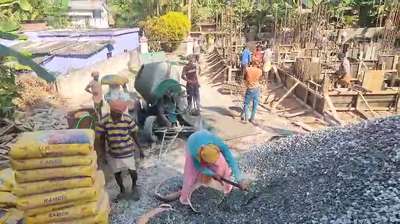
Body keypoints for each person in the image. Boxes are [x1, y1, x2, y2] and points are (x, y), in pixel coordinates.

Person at [179, 130, 248, 205]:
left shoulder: (219, 144)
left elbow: (231, 161)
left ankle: (227, 189)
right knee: (190, 175)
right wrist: (212, 174)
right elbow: (199, 167)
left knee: (222, 166)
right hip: (192, 142)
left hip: (205, 138)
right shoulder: (194, 152)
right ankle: (185, 198)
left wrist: (240, 180)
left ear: (217, 150)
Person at [96, 100, 144, 201]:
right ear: (110, 111)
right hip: (113, 153)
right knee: (117, 173)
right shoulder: (104, 121)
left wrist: (140, 148)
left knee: (132, 171)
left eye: (118, 114)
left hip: (127, 150)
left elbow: (135, 135)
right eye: (114, 114)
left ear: (122, 113)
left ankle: (134, 187)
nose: (116, 117)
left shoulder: (127, 119)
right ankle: (122, 190)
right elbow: (101, 139)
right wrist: (103, 154)